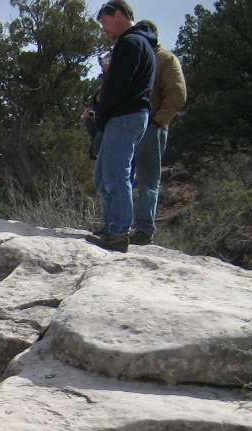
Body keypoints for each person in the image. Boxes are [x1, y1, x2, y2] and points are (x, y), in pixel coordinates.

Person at [86, 1, 156, 254]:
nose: (104, 29)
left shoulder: (130, 43)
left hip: (125, 115)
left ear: (118, 15)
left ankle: (118, 233)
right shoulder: (142, 43)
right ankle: (112, 227)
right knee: (103, 177)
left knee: (116, 175)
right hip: (129, 116)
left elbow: (117, 84)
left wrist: (101, 110)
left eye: (105, 22)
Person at [129, 21, 186, 246]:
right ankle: (121, 226)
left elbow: (177, 95)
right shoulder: (140, 57)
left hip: (152, 128)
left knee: (148, 180)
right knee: (125, 177)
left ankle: (144, 229)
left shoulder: (166, 59)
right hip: (132, 126)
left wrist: (156, 121)